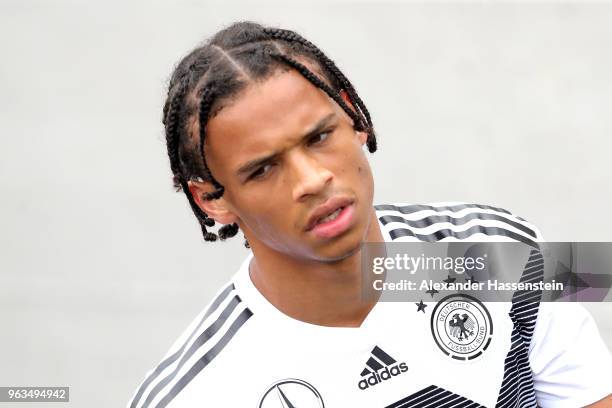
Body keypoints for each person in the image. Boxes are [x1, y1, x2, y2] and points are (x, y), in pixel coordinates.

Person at [128, 21, 612, 408]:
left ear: (354, 117)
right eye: (263, 169)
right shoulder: (194, 394)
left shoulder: (506, 252)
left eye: (319, 137)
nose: (312, 180)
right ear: (212, 199)